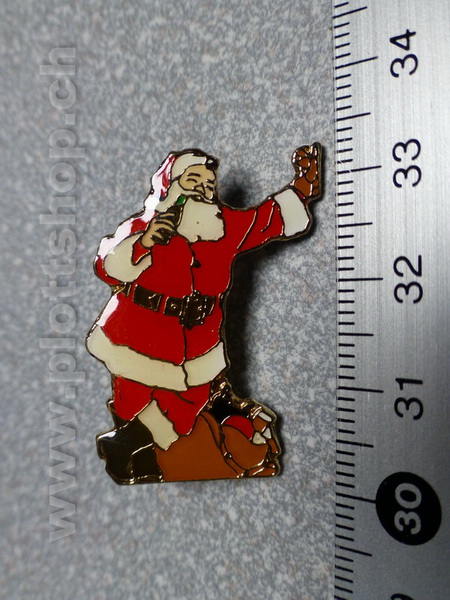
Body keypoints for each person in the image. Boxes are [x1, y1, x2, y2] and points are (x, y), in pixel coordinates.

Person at [86, 145, 322, 484]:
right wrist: (144, 243)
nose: (201, 188)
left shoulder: (224, 227)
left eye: (208, 183)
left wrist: (303, 188)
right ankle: (140, 453)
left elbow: (267, 220)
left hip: (198, 339)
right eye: (192, 179)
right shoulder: (141, 226)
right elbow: (107, 266)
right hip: (136, 333)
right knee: (133, 396)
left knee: (189, 401)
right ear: (169, 186)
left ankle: (129, 444)